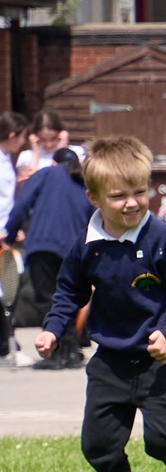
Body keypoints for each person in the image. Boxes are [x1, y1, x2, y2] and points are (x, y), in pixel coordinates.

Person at [36, 137, 166, 472]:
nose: (133, 203)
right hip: (111, 360)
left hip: (160, 362)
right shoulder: (88, 245)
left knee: (163, 439)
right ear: (95, 198)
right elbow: (70, 290)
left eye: (140, 191)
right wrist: (53, 328)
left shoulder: (162, 239)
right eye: (119, 196)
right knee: (98, 445)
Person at [6, 148, 94, 369]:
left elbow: (22, 204)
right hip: (75, 248)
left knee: (47, 298)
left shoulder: (46, 174)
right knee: (70, 296)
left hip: (43, 245)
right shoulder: (84, 181)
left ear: (54, 163)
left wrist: (10, 233)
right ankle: (72, 351)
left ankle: (56, 354)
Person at [0, 113, 23, 357]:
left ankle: (7, 341)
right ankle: (5, 343)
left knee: (8, 288)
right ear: (12, 135)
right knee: (5, 289)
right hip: (1, 234)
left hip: (6, 234)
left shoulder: (6, 160)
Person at [14, 109, 77, 181]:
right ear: (35, 136)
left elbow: (66, 177)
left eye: (53, 138)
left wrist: (61, 150)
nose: (48, 144)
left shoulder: (74, 153)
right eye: (43, 139)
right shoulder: (26, 156)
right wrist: (36, 153)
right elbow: (31, 181)